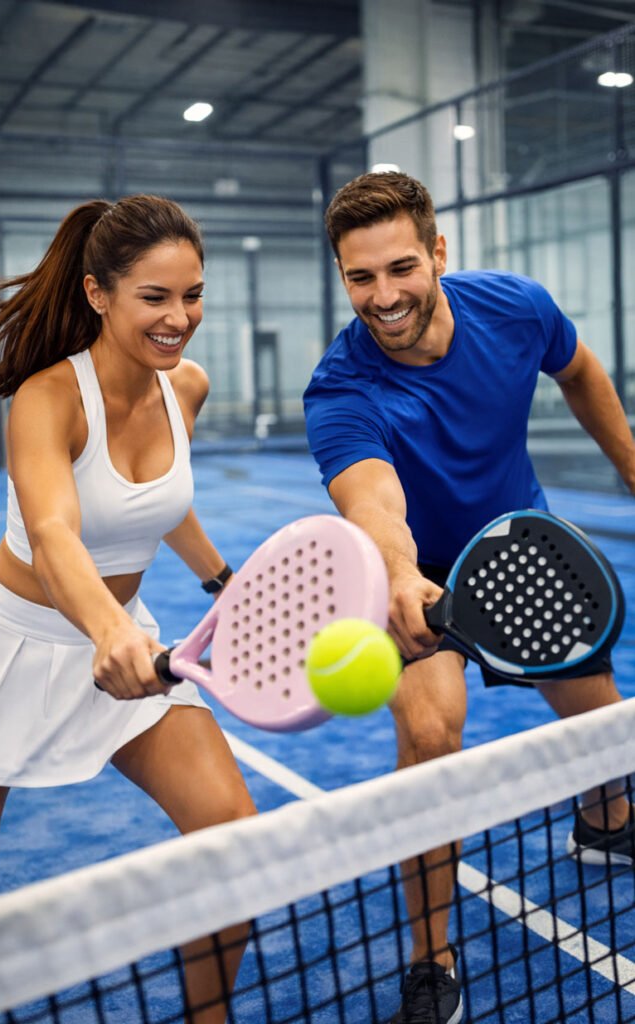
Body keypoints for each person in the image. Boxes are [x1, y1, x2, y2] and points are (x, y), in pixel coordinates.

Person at [303, 171, 635, 1024]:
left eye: (400, 268)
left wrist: (633, 469)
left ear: (438, 252)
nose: (382, 296)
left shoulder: (515, 309)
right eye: (359, 277)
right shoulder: (341, 389)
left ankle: (604, 826)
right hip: (410, 579)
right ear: (341, 276)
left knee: (604, 730)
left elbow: (580, 370)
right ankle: (430, 957)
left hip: (522, 550)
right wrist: (404, 574)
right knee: (428, 730)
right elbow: (372, 502)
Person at [0, 194, 257, 1024]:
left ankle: (209, 1017)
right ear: (98, 294)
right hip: (10, 645)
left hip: (129, 645)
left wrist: (223, 583)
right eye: (154, 297)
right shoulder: (47, 398)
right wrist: (109, 628)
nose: (179, 317)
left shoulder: (183, 385)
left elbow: (164, 501)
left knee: (232, 833)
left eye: (191, 294)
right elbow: (54, 536)